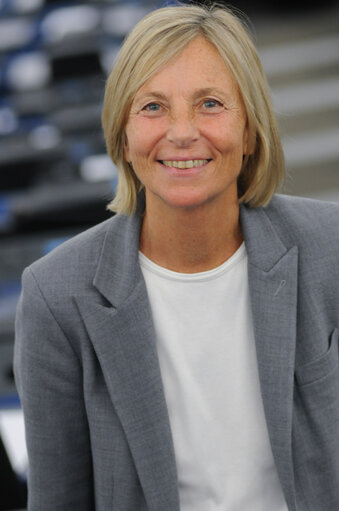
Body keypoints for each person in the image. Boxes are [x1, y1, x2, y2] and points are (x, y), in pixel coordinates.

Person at [14, 4, 339, 511]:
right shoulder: (56, 297)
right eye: (152, 107)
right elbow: (58, 499)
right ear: (122, 136)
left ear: (250, 129)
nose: (182, 132)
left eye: (210, 103)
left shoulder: (331, 249)